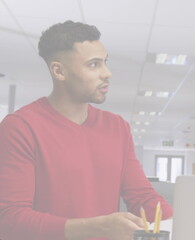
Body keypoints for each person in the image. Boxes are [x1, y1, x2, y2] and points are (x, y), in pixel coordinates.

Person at [0, 21, 172, 240]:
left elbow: (142, 197)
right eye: (94, 64)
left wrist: (184, 224)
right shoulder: (20, 127)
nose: (107, 73)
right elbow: (10, 219)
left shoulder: (117, 127)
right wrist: (98, 228)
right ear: (59, 71)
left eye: (105, 63)